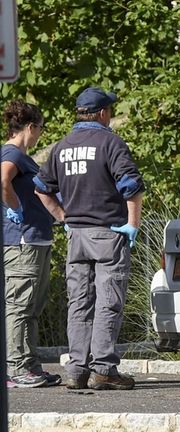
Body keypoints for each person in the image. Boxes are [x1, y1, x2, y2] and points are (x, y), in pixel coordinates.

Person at [33, 87, 145, 391]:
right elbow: (131, 187)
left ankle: (77, 369)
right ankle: (105, 369)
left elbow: (41, 189)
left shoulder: (61, 147)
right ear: (103, 113)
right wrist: (132, 225)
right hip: (108, 234)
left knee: (79, 303)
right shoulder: (111, 142)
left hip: (76, 238)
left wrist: (63, 217)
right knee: (109, 301)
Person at [1, 100, 61, 388]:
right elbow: (3, 180)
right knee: (19, 306)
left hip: (36, 240)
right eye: (40, 129)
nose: (40, 134)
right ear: (30, 127)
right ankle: (15, 369)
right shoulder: (12, 152)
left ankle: (30, 365)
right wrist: (15, 208)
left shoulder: (21, 155)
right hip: (22, 242)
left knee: (32, 307)